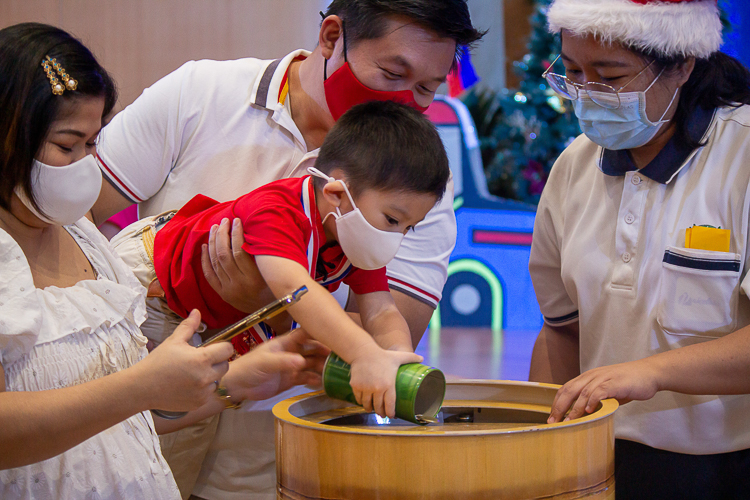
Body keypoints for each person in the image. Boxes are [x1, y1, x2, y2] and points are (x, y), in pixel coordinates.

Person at [89, 1, 484, 498]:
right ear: (332, 36)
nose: (406, 101)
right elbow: (75, 218)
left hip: (270, 447)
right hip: (156, 313)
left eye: (427, 88)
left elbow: (382, 317)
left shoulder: (411, 186)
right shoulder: (208, 102)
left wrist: (389, 356)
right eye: (392, 73)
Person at [0, 23, 326, 499]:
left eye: (93, 144)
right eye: (67, 146)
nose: (86, 163)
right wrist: (141, 387)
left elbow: (119, 417)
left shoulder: (86, 239)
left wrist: (240, 379)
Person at [527, 0, 750, 497]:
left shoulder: (742, 157)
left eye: (610, 75)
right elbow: (562, 330)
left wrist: (651, 373)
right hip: (603, 458)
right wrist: (545, 444)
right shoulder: (574, 167)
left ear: (682, 65)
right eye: (573, 71)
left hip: (729, 467)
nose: (587, 93)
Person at [112, 100, 449, 418]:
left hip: (203, 314)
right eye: (392, 220)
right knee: (147, 425)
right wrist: (364, 354)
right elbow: (295, 289)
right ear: (335, 194)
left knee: (187, 412)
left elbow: (382, 309)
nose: (397, 237)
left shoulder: (353, 236)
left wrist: (396, 359)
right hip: (152, 282)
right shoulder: (278, 210)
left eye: (409, 229)